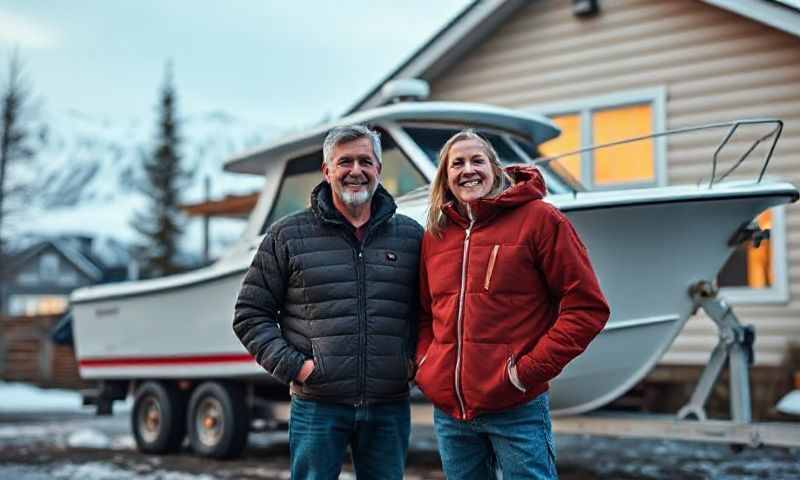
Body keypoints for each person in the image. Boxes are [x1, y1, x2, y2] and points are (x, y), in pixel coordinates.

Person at [414, 130, 610, 479]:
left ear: (495, 168)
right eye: (456, 163)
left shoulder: (541, 220)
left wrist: (524, 373)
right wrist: (428, 365)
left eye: (477, 160)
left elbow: (587, 309)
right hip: (451, 413)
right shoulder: (436, 234)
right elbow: (426, 314)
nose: (467, 170)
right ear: (445, 176)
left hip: (516, 407)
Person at [234, 125, 423, 479]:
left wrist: (414, 363)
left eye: (365, 161)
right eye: (344, 162)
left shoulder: (411, 236)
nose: (355, 171)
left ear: (378, 169)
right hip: (318, 405)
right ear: (327, 171)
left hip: (389, 405)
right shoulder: (287, 235)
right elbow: (250, 315)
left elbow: (428, 312)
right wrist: (299, 368)